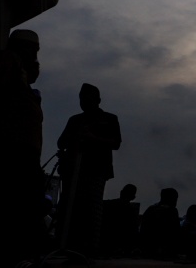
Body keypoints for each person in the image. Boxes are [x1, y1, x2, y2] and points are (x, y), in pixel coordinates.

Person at [0, 29, 46, 267]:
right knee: (12, 205)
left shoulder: (22, 76)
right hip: (11, 150)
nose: (35, 56)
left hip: (22, 150)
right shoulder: (8, 61)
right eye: (32, 51)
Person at [56, 83, 122, 260]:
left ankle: (90, 248)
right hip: (73, 171)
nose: (84, 102)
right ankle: (67, 245)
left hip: (96, 170)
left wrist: (93, 138)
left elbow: (116, 143)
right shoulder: (75, 120)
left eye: (87, 99)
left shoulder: (109, 119)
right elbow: (61, 143)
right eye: (81, 99)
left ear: (98, 100)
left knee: (92, 210)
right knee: (70, 209)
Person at [139, 187, 182, 260]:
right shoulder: (172, 211)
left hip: (147, 249)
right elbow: (176, 232)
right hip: (164, 251)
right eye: (175, 198)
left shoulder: (150, 209)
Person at [99, 183, 140, 258]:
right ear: (133, 197)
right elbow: (133, 232)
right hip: (119, 248)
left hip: (105, 245)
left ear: (121, 192)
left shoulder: (108, 205)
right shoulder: (131, 212)